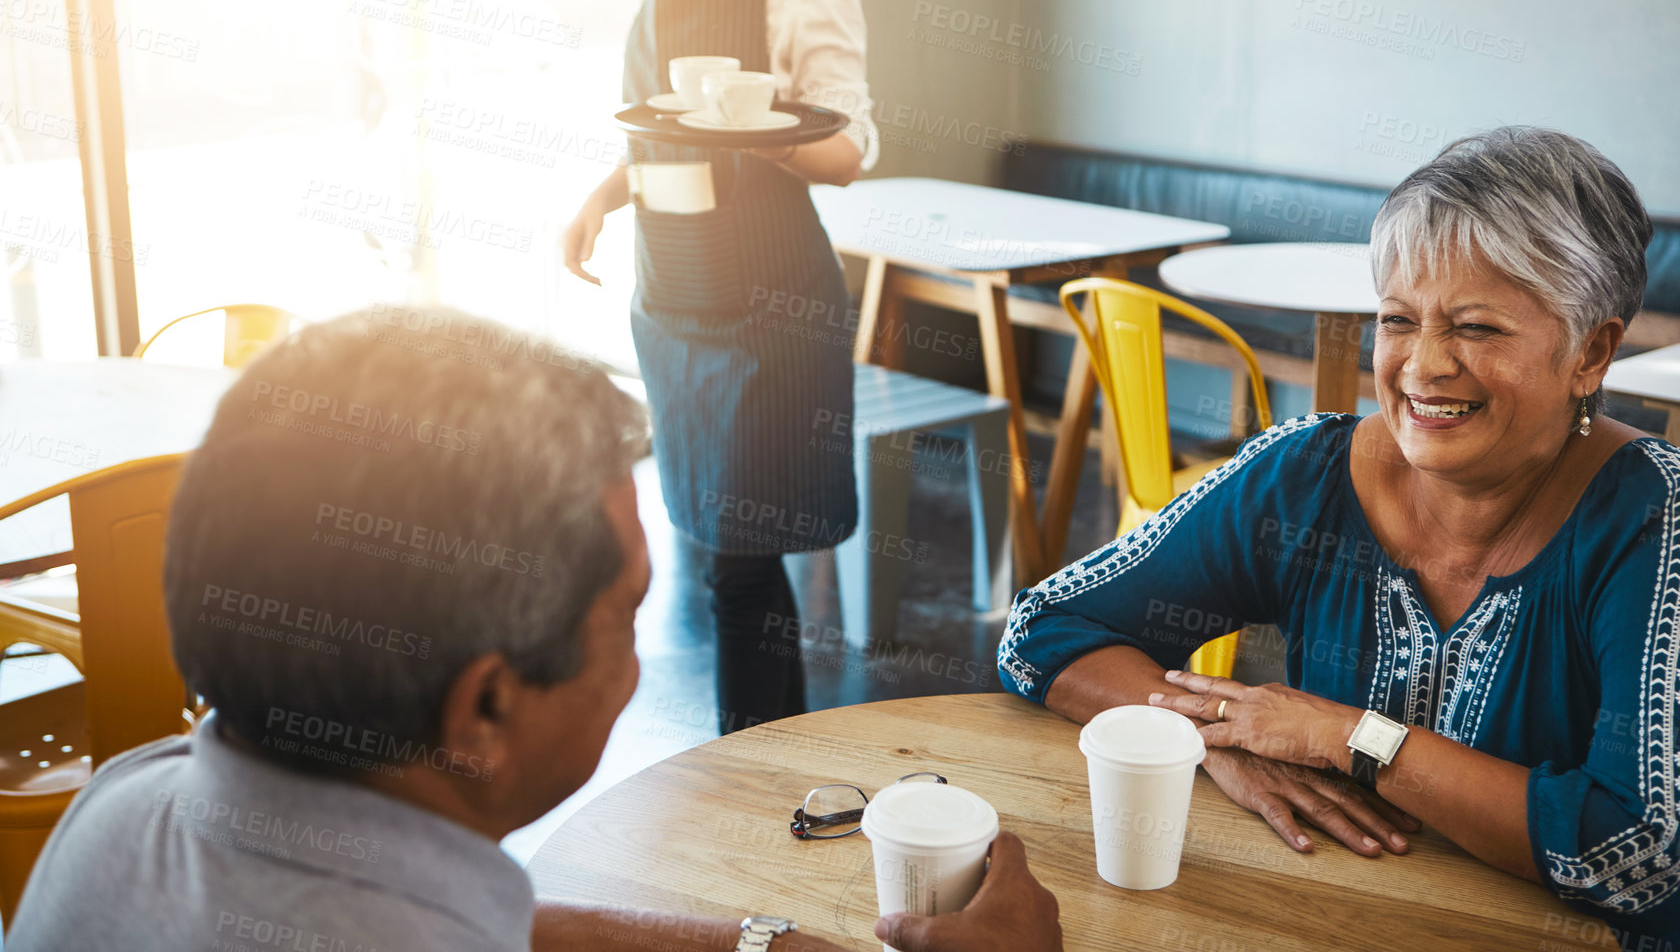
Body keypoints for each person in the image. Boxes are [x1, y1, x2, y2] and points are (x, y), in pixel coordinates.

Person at [8, 307, 1060, 952]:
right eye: (629, 614)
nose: (639, 663)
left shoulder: (127, 803)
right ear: (487, 704)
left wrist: (759, 943)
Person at [998, 127, 1680, 938]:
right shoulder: (1307, 475)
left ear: (1591, 352)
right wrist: (1209, 741)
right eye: (1398, 319)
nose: (1423, 365)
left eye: (1477, 328)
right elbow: (1041, 630)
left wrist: (1348, 737)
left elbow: (1640, 853)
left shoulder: (1651, 523)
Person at [562, 0, 876, 737]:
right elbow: (658, 132)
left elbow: (849, 149)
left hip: (767, 304)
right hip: (671, 300)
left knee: (743, 559)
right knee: (719, 555)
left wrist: (752, 128)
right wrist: (601, 197)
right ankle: (764, 769)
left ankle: (753, 774)